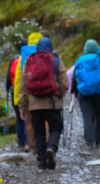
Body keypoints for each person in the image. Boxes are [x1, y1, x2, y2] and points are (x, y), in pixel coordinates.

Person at [18, 37, 68, 171]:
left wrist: (22, 107)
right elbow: (64, 84)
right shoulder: (56, 61)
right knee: (56, 128)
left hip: (35, 105)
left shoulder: (29, 61)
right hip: (52, 103)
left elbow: (23, 87)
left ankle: (41, 163)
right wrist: (59, 95)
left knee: (39, 132)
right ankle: (51, 148)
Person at [72, 39, 100, 148]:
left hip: (83, 93)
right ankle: (98, 140)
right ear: (96, 49)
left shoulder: (79, 60)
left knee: (87, 116)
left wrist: (74, 91)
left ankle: (89, 141)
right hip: (98, 92)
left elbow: (74, 78)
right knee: (98, 116)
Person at [6, 43, 27, 149]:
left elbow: (8, 79)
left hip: (15, 92)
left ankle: (20, 143)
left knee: (19, 118)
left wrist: (8, 90)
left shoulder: (14, 60)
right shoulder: (28, 58)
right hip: (27, 93)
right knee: (28, 118)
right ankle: (29, 142)